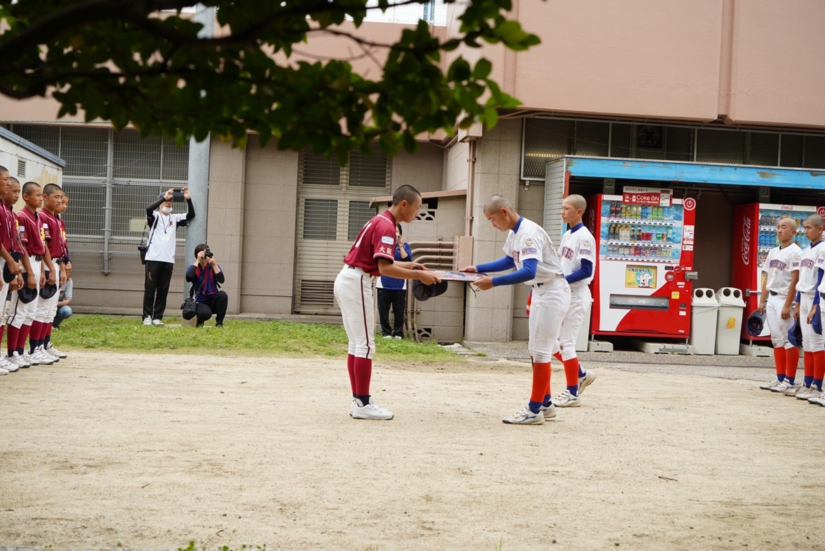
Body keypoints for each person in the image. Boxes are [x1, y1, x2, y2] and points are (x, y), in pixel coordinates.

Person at [334, 184, 440, 421]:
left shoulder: (380, 220)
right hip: (357, 281)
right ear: (404, 204)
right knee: (365, 345)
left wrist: (412, 265)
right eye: (417, 207)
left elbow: (383, 262)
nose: (417, 212)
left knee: (357, 344)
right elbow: (384, 268)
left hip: (350, 277)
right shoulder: (387, 226)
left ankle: (359, 401)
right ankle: (362, 402)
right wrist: (419, 276)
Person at [463, 194, 571, 425]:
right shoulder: (515, 232)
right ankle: (545, 404)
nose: (493, 225)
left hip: (552, 290)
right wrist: (478, 268)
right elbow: (510, 261)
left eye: (492, 219)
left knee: (541, 351)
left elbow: (529, 271)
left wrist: (493, 282)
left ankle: (534, 410)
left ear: (504, 211)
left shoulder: (528, 232)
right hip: (543, 290)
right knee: (535, 350)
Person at [550, 194, 597, 407]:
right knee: (551, 344)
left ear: (579, 211)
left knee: (566, 343)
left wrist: (560, 281)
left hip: (577, 294)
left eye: (566, 208)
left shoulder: (584, 237)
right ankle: (580, 374)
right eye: (561, 207)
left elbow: (586, 270)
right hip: (566, 292)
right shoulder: (568, 233)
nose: (562, 211)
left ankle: (572, 393)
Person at [8, 182, 56, 367]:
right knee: (19, 311)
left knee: (31, 312)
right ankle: (13, 353)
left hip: (38, 263)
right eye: (37, 195)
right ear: (26, 197)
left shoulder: (38, 218)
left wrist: (44, 268)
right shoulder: (22, 216)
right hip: (27, 264)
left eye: (41, 195)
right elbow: (24, 248)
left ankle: (23, 352)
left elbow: (43, 246)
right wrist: (29, 272)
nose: (40, 198)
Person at [758, 217, 801, 391]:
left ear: (793, 232)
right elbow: (767, 275)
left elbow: (795, 280)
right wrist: (762, 299)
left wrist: (788, 304)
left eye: (784, 227)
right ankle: (780, 377)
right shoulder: (773, 251)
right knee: (776, 340)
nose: (779, 230)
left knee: (788, 339)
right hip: (772, 298)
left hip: (785, 298)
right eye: (778, 227)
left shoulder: (796, 252)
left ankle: (789, 380)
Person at [142, 187, 194, 326]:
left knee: (163, 290)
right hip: (153, 258)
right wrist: (164, 197)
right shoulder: (155, 216)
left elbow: (191, 214)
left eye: (171, 201)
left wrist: (188, 198)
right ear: (160, 203)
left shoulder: (175, 218)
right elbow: (148, 209)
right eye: (166, 201)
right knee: (150, 289)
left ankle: (157, 317)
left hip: (168, 260)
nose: (169, 203)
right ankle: (147, 316)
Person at [31, 183, 68, 361]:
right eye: (56, 197)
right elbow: (44, 245)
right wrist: (51, 269)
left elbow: (60, 246)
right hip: (44, 264)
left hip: (55, 263)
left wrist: (61, 266)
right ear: (45, 198)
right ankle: (35, 347)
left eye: (61, 198)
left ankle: (45, 344)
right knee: (40, 308)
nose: (60, 201)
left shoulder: (56, 218)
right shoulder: (43, 217)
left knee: (50, 310)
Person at [789, 214, 824, 398]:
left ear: (820, 229)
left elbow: (821, 279)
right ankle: (807, 383)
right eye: (805, 227)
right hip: (804, 297)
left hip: (815, 298)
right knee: (808, 344)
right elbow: (801, 280)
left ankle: (817, 386)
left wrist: (816, 305)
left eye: (809, 228)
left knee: (817, 343)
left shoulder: (822, 248)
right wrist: (798, 302)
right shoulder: (805, 250)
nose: (806, 231)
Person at [376, 223, 412, 339]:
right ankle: (386, 332)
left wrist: (400, 246)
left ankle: (398, 333)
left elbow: (407, 260)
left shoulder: (404, 245)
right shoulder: (383, 245)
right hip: (383, 283)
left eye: (396, 231)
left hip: (400, 284)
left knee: (399, 310)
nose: (394, 233)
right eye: (392, 231)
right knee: (383, 310)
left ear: (400, 233)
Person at [185, 244, 227, 328]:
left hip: (213, 299)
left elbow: (221, 280)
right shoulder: (194, 267)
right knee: (205, 314)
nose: (205, 254)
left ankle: (219, 323)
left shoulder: (213, 266)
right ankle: (200, 320)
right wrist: (197, 260)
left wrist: (214, 265)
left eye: (206, 252)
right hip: (201, 301)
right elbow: (189, 278)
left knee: (222, 295)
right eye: (202, 252)